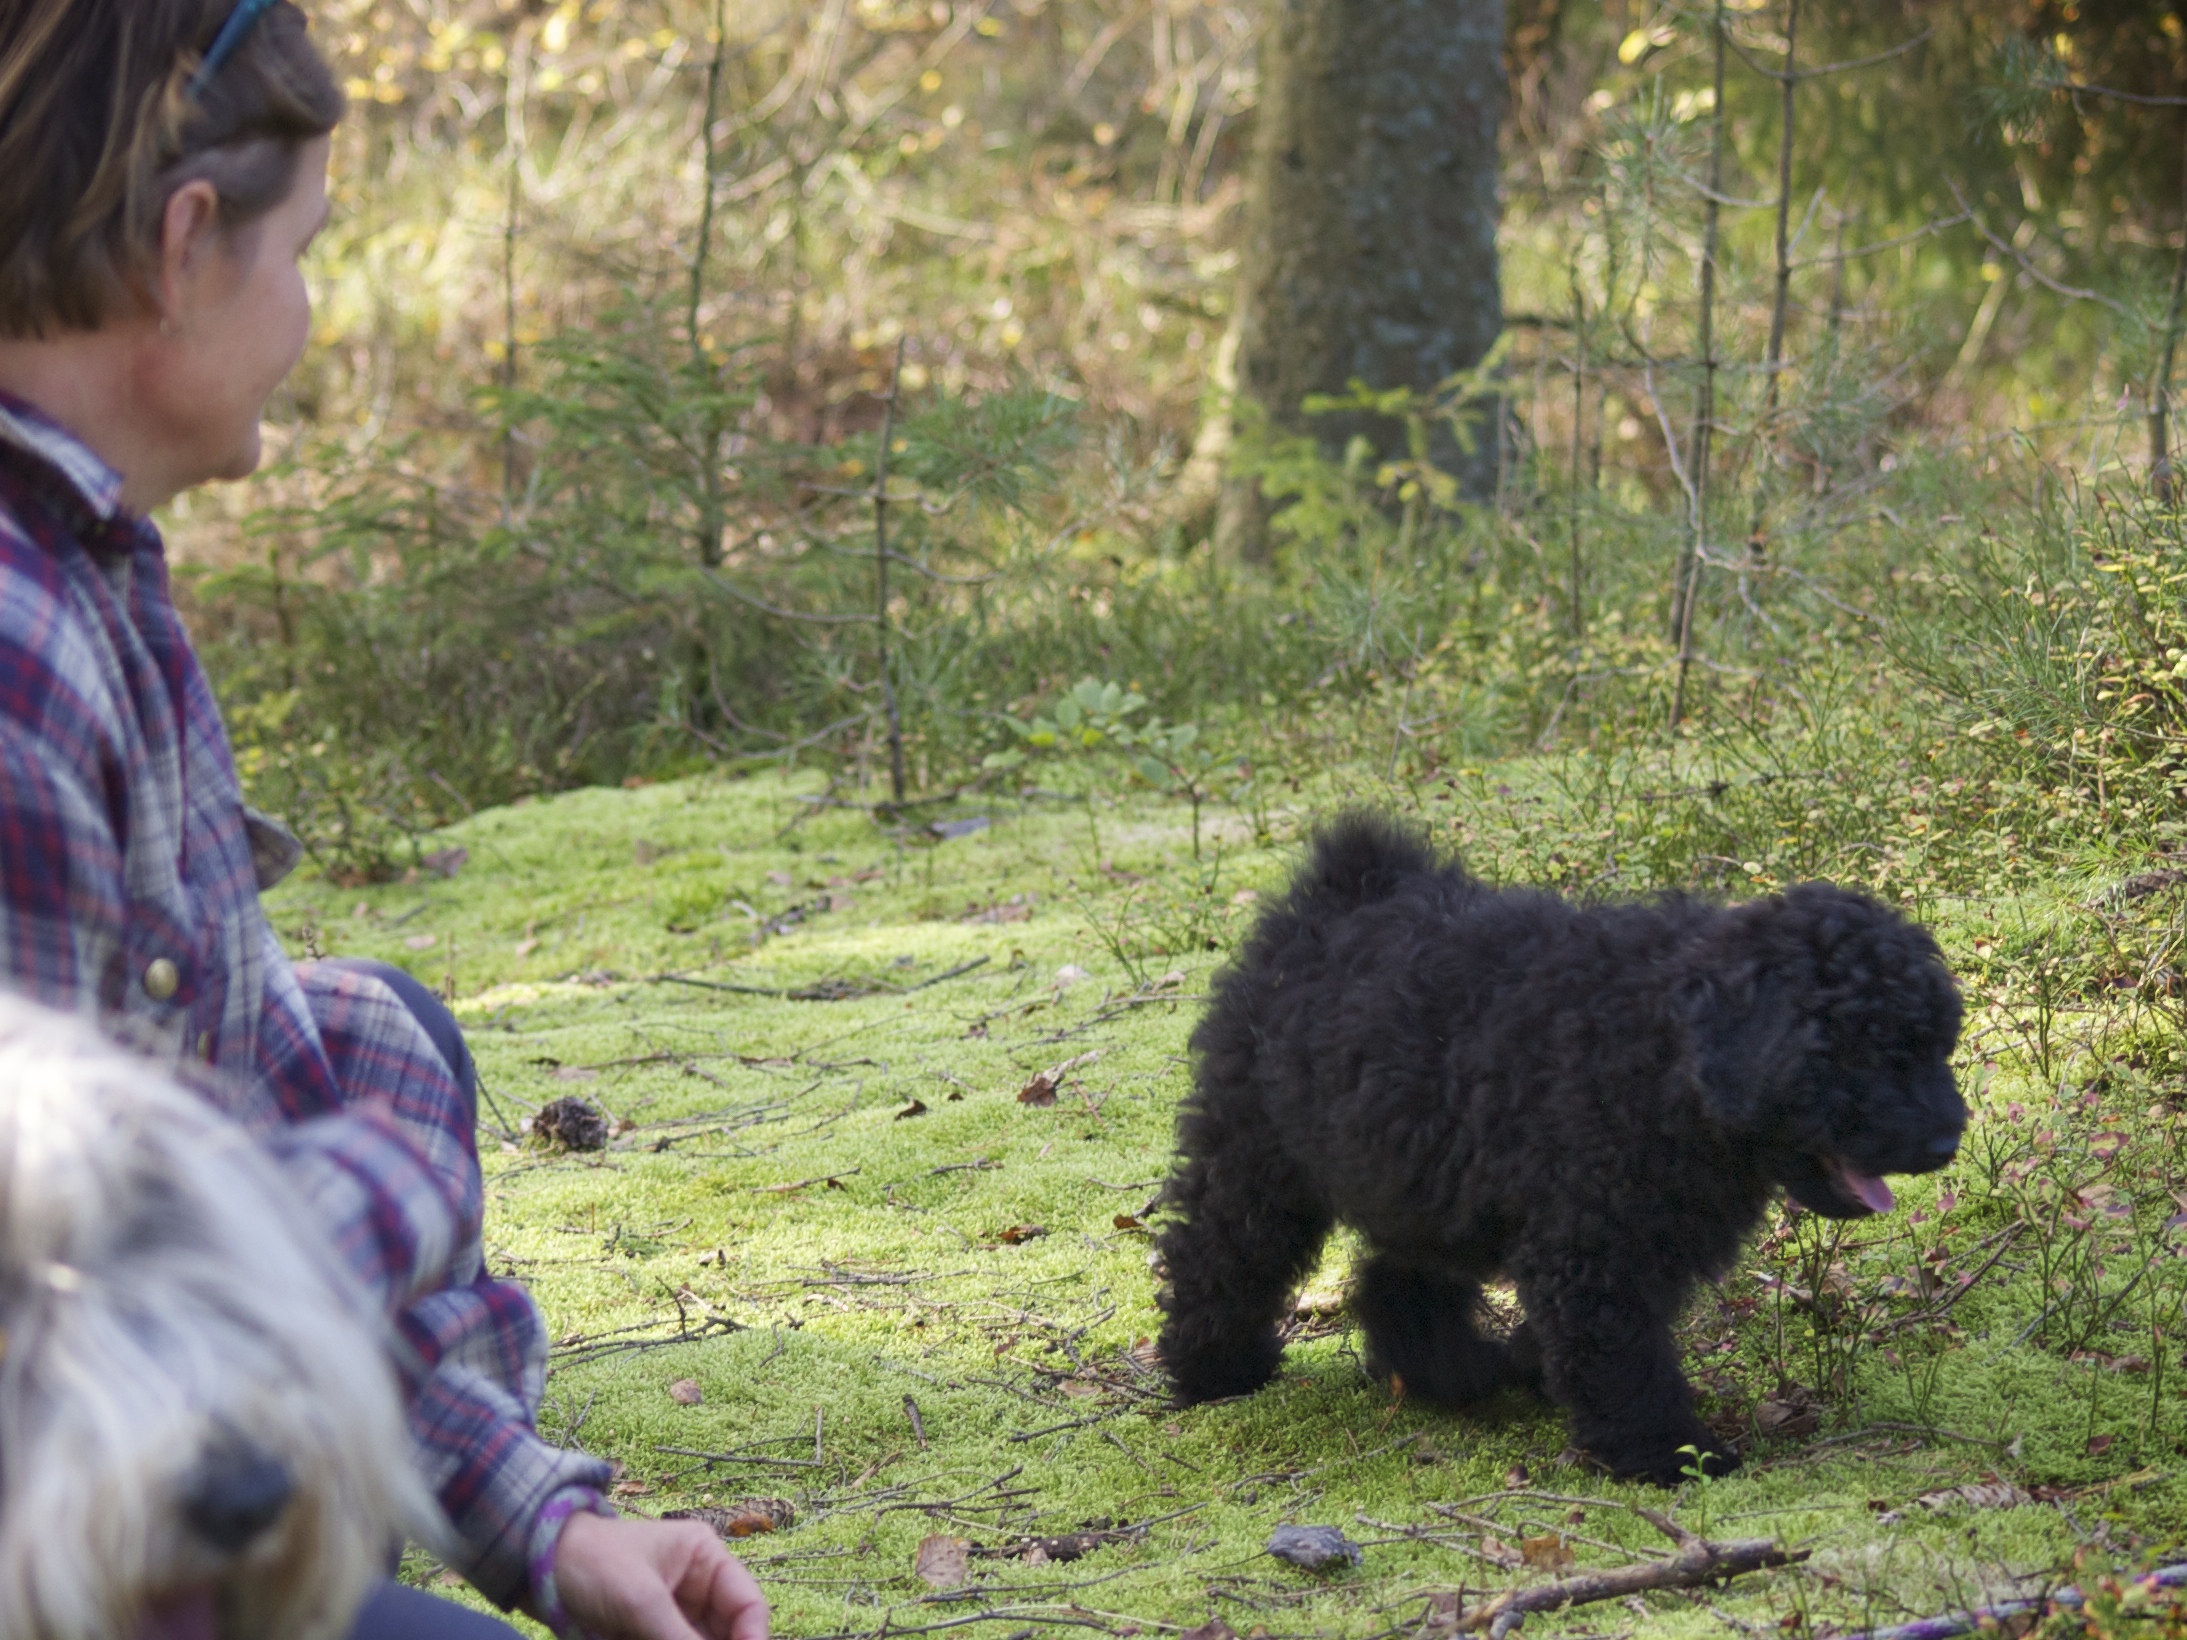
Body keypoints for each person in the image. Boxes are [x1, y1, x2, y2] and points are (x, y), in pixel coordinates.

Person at [0, 5, 769, 1638]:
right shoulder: (15, 661)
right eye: (307, 254)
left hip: (121, 1452)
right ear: (184, 247)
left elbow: (251, 1069)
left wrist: (543, 1525)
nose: (309, 315)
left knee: (388, 1030)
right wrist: (390, 1175)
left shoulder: (85, 565)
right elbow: (69, 1311)